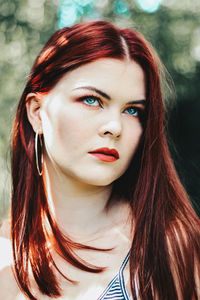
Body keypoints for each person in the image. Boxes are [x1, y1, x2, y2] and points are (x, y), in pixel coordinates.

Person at [0, 20, 199, 300]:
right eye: (92, 100)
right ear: (36, 112)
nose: (114, 127)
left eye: (132, 111)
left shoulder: (165, 250)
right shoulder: (4, 252)